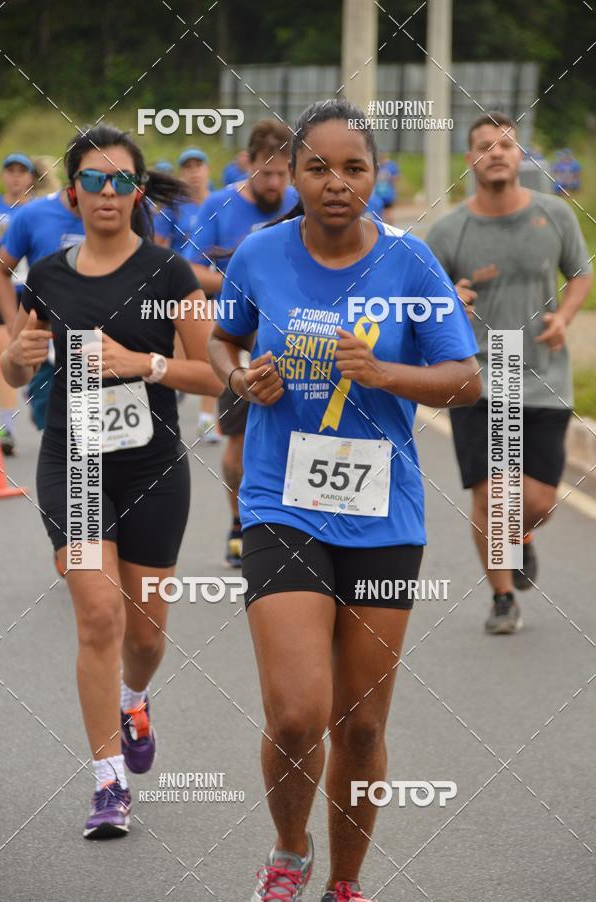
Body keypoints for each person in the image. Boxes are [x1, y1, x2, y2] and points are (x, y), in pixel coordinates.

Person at [208, 99, 480, 902]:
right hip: (280, 502)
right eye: (318, 167)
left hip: (382, 514)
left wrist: (384, 373)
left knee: (360, 726)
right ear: (292, 174)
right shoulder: (258, 254)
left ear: (376, 175)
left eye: (353, 167)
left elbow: (465, 378)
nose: (335, 183)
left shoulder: (411, 263)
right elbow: (226, 336)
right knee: (297, 714)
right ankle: (289, 852)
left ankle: (347, 882)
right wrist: (238, 375)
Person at [0, 124, 222, 839]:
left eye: (120, 180)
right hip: (74, 458)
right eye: (92, 181)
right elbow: (15, 371)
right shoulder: (49, 278)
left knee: (148, 636)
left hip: (152, 466)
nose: (106, 192)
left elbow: (213, 374)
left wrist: (143, 364)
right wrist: (20, 355)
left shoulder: (170, 276)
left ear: (135, 191)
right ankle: (107, 782)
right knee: (100, 614)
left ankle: (135, 697)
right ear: (72, 193)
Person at [426, 111, 593, 634]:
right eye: (483, 145)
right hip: (477, 377)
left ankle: (521, 537)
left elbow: (581, 273)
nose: (495, 152)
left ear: (520, 156)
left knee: (538, 501)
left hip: (543, 375)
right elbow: (422, 300)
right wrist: (449, 300)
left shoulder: (555, 215)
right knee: (492, 495)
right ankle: (502, 599)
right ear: (469, 159)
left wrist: (564, 318)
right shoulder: (450, 229)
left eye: (505, 144)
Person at [185, 120, 298, 567]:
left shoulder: (299, 203)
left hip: (296, 334)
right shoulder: (219, 204)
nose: (273, 184)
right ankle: (238, 521)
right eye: (264, 173)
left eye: (281, 174)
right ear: (246, 164)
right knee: (238, 442)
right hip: (238, 337)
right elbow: (188, 269)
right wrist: (241, 282)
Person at [0, 179, 86, 433]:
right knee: (48, 421)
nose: (107, 190)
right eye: (91, 177)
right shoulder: (33, 215)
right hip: (48, 338)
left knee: (88, 441)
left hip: (98, 341)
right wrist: (15, 326)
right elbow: (1, 270)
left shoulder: (127, 214)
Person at [152, 148, 218, 442]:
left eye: (198, 165)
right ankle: (179, 382)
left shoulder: (221, 203)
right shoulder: (173, 208)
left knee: (212, 347)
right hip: (181, 290)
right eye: (187, 166)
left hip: (214, 286)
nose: (193, 171)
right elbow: (158, 246)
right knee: (181, 345)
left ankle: (207, 418)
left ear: (207, 169)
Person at [0, 153, 35, 454]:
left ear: (31, 178)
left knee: (30, 360)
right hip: (2, 291)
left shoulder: (38, 212)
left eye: (22, 171)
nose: (16, 177)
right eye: (11, 171)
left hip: (33, 293)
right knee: (5, 351)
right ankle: (7, 428)